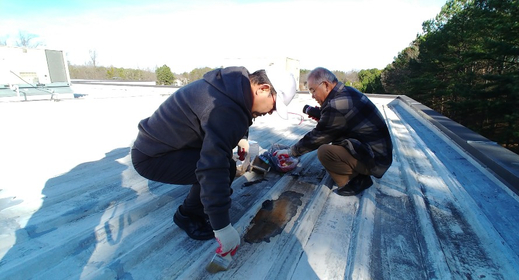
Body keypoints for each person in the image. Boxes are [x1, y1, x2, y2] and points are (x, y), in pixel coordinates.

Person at [130, 67, 296, 258]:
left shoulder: (231, 86)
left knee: (227, 164)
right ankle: (188, 215)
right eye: (274, 105)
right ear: (264, 89)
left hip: (167, 146)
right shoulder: (225, 108)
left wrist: (240, 137)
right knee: (223, 169)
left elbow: (233, 116)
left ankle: (197, 209)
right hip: (153, 157)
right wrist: (222, 227)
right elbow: (212, 168)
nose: (271, 112)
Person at [275, 67, 392, 196]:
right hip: (378, 154)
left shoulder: (336, 105)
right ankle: (356, 170)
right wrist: (322, 115)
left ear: (325, 85)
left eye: (313, 91)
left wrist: (291, 152)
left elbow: (317, 137)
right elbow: (341, 119)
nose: (312, 96)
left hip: (375, 161)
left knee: (325, 152)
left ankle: (356, 180)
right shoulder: (347, 92)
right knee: (336, 141)